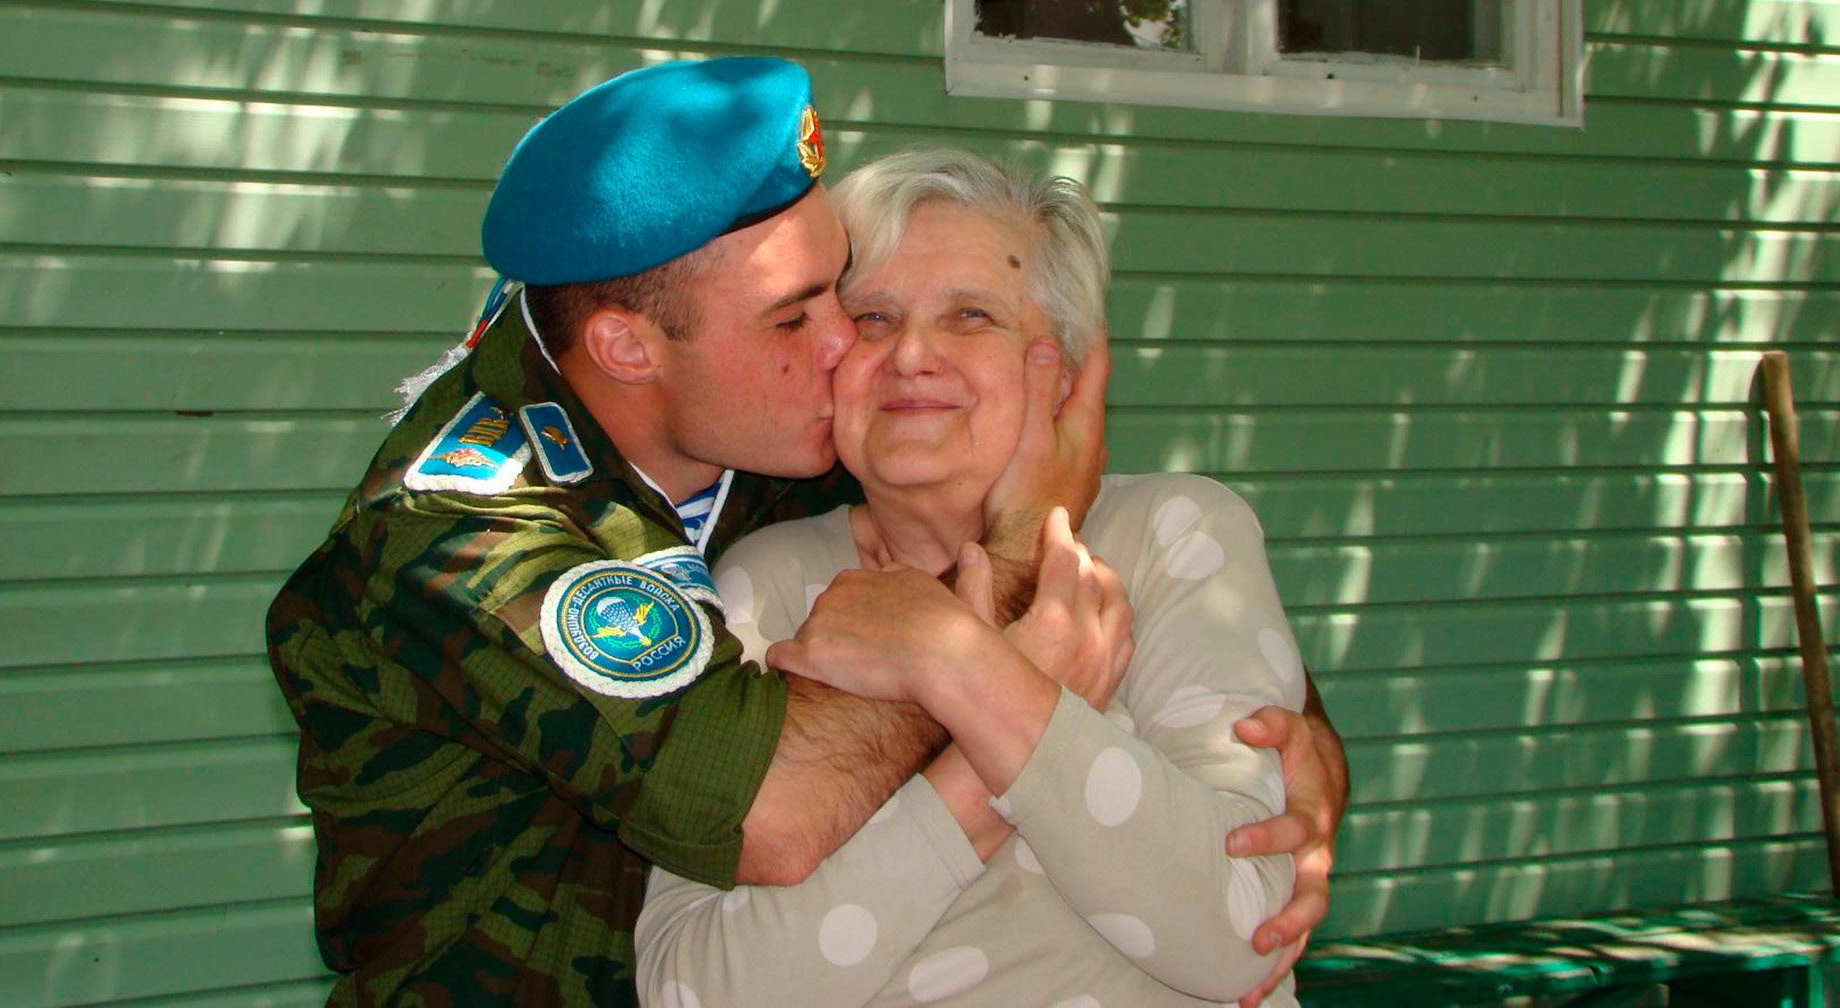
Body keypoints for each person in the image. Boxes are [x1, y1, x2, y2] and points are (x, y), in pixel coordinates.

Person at [266, 57, 1343, 1007]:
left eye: (844, 289)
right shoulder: (463, 538)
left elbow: (1193, 632)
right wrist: (1012, 608)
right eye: (802, 316)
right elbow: (775, 813)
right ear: (629, 350)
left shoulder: (765, 416)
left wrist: (1292, 753)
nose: (851, 346)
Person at [636, 149, 1324, 1006]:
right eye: (874, 318)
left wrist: (954, 662)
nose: (914, 354)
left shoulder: (1175, 536)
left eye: (971, 316)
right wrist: (994, 716)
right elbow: (691, 989)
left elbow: (1241, 936)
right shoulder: (769, 580)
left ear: (1066, 371)